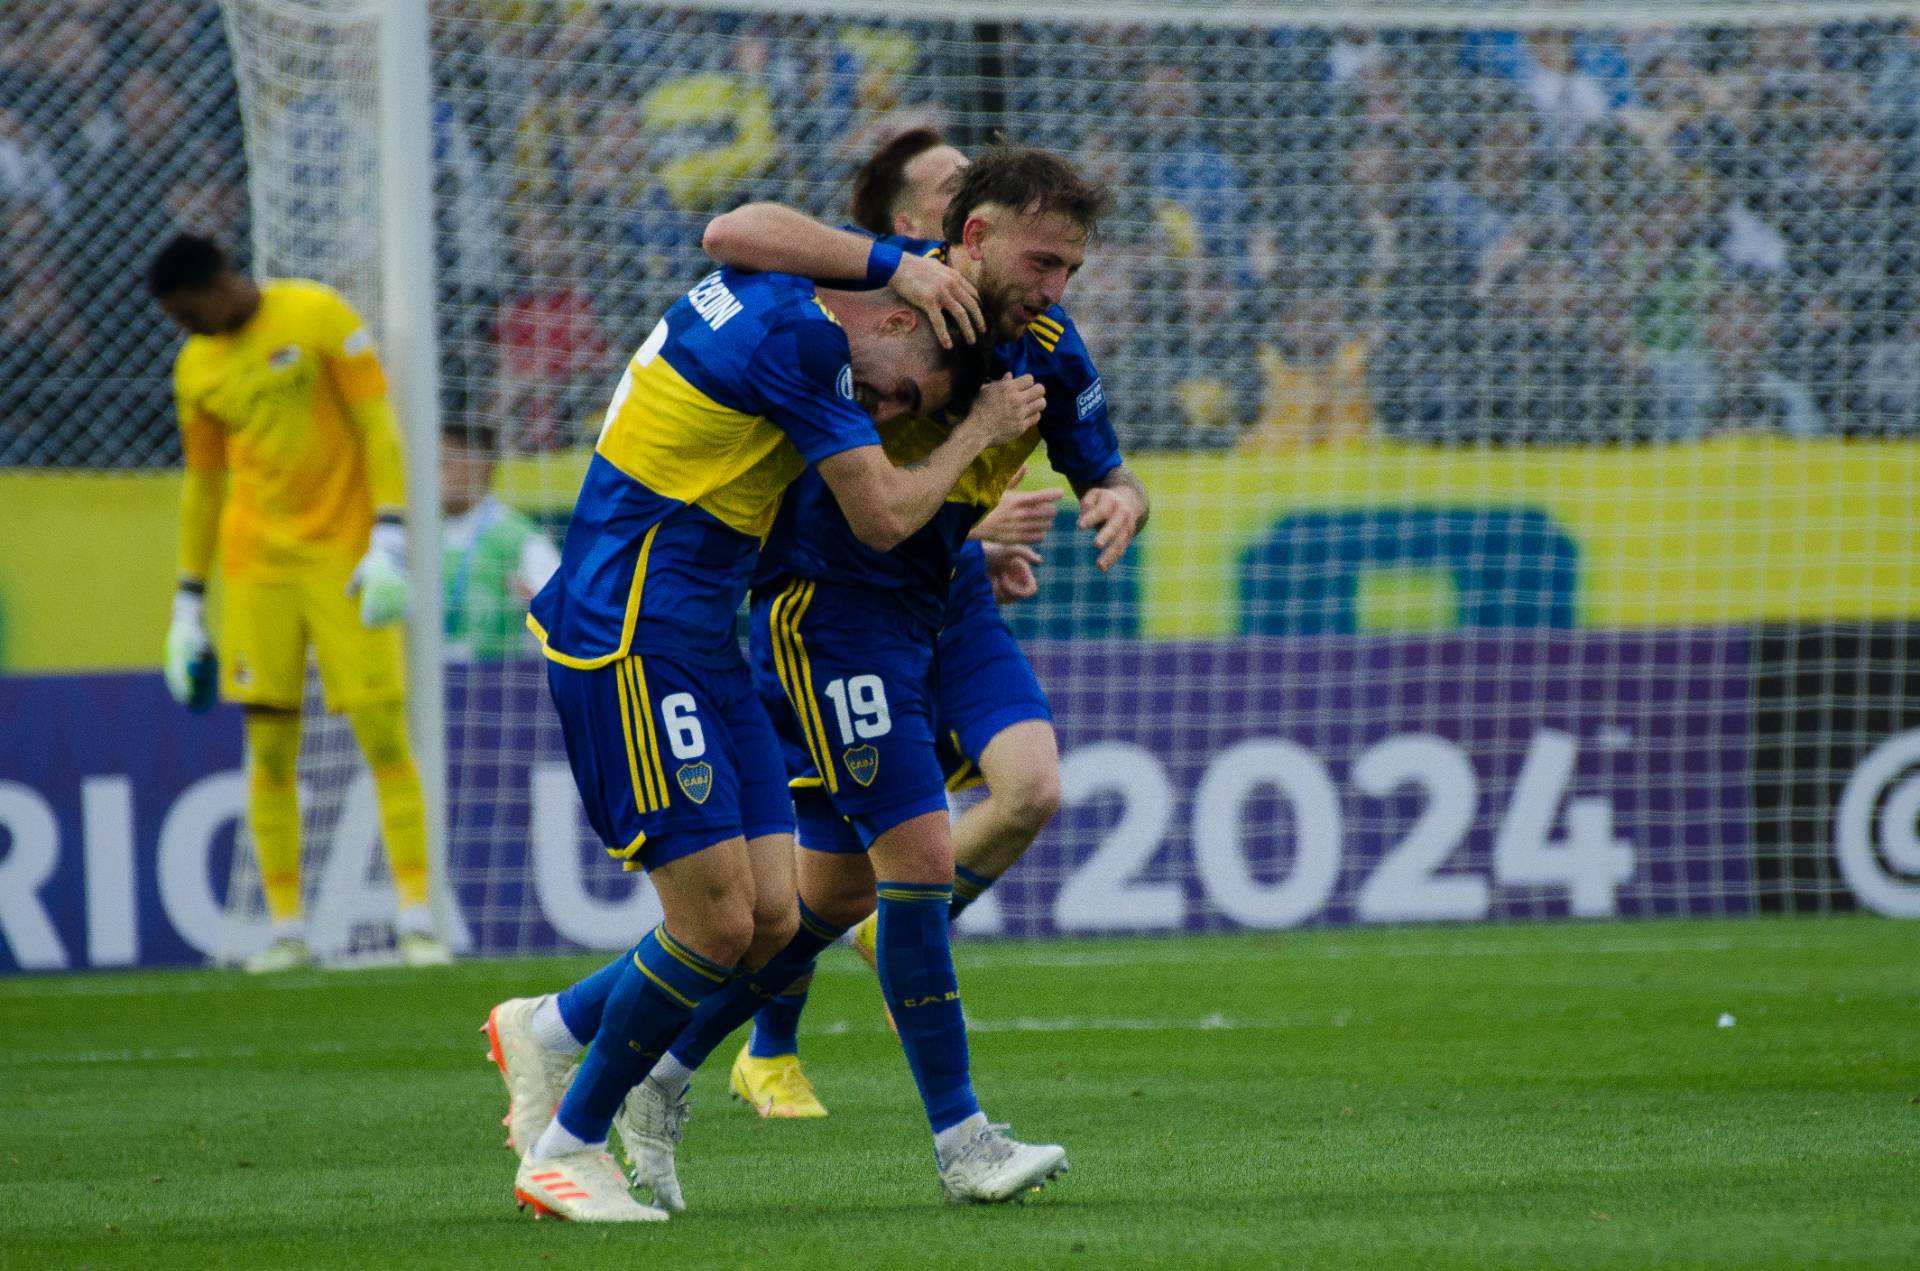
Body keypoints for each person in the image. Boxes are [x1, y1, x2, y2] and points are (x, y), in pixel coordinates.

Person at [601, 145, 1147, 1211]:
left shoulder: (1047, 345)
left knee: (930, 842)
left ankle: (661, 1068)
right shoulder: (883, 293)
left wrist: (1119, 494)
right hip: (837, 612)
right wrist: (889, 270)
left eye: (1071, 272)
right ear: (974, 237)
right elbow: (734, 240)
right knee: (914, 856)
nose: (1055, 291)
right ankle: (963, 1137)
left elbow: (1097, 453)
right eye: (1043, 263)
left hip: (949, 601)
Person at [484, 255, 1037, 1221]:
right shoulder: (808, 342)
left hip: (706, 639)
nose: (889, 411)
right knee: (713, 922)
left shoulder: (779, 293)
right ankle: (568, 1149)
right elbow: (881, 515)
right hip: (634, 633)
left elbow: (738, 225)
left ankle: (553, 1023)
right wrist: (981, 431)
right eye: (905, 394)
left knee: (776, 916)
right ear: (903, 322)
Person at [731, 129, 1074, 1120]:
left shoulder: (1004, 319)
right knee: (825, 883)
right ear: (907, 227)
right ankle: (757, 1044)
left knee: (1027, 790)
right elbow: (852, 519)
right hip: (836, 614)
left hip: (947, 601)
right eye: (949, 189)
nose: (971, 198)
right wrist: (968, 521)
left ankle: (900, 949)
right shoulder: (845, 322)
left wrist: (981, 536)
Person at [149, 233, 451, 972]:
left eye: (190, 313)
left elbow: (377, 429)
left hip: (347, 561)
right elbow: (204, 487)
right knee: (270, 745)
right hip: (257, 569)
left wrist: (389, 536)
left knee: (383, 732)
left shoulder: (318, 316)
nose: (185, 330)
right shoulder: (195, 369)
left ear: (221, 282)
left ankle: (418, 917)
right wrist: (188, 600)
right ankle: (285, 928)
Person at [439, 420, 560, 662]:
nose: (433, 475)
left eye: (443, 463)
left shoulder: (520, 538)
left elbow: (563, 618)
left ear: (481, 464)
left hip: (495, 688)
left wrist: (534, 603)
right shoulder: (416, 537)